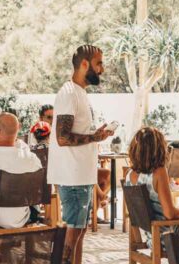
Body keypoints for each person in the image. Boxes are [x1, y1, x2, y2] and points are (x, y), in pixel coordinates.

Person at [47, 45, 114, 264]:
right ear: (84, 64)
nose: (102, 69)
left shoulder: (79, 93)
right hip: (72, 176)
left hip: (81, 175)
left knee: (80, 231)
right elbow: (62, 137)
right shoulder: (68, 93)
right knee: (73, 232)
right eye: (99, 63)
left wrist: (96, 136)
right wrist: (93, 138)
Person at [125, 127, 179, 247]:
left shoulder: (130, 174)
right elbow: (170, 214)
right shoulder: (159, 172)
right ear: (159, 149)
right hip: (167, 239)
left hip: (150, 237)